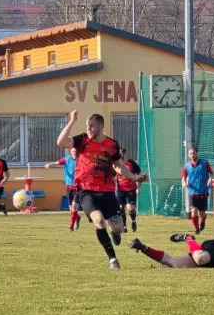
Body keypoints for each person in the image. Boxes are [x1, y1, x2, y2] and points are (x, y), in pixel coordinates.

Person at [57, 110, 148, 270]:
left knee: (118, 227)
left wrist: (134, 178)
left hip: (106, 191)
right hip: (86, 190)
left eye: (92, 126)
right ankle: (113, 259)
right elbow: (61, 141)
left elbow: (118, 167)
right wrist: (71, 121)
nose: (89, 128)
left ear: (101, 126)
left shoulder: (112, 144)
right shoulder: (83, 140)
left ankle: (115, 232)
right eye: (87, 125)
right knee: (99, 221)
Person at [45, 148, 81, 232]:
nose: (75, 153)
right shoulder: (67, 159)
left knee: (74, 206)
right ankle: (77, 217)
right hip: (68, 185)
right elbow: (57, 163)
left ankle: (71, 227)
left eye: (76, 151)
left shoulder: (81, 159)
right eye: (73, 151)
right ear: (71, 152)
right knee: (71, 209)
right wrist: (49, 165)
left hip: (78, 186)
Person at [182, 147, 214, 234]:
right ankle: (196, 229)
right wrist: (184, 183)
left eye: (194, 153)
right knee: (193, 211)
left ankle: (203, 220)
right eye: (190, 154)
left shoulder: (204, 163)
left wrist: (210, 179)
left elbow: (211, 173)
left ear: (197, 153)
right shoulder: (187, 166)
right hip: (192, 192)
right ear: (188, 155)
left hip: (203, 192)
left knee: (202, 213)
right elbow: (183, 177)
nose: (192, 155)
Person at [115, 147, 142, 233]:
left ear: (124, 153)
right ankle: (124, 226)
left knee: (130, 208)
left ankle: (133, 221)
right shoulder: (115, 164)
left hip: (131, 189)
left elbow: (139, 175)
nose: (119, 155)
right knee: (121, 208)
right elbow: (112, 176)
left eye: (120, 154)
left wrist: (138, 187)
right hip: (120, 190)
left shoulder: (131, 163)